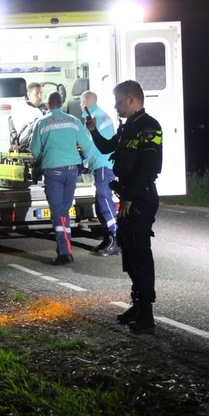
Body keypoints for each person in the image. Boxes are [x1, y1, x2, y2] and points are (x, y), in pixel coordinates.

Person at [91, 80, 163, 333]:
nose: (115, 106)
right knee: (129, 253)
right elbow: (106, 147)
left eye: (119, 101)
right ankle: (137, 304)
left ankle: (147, 314)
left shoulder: (149, 127)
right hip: (130, 197)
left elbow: (148, 168)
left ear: (131, 99)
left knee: (140, 254)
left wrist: (130, 199)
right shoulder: (127, 127)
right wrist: (92, 131)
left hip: (140, 199)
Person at [29, 92, 102, 266]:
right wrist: (83, 162)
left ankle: (64, 252)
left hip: (53, 171)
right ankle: (64, 248)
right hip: (71, 171)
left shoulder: (41, 123)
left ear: (48, 105)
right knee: (64, 210)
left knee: (58, 212)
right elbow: (89, 147)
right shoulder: (74, 122)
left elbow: (34, 150)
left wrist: (43, 158)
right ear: (61, 103)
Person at [81, 90, 119, 256]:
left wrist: (83, 161)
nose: (80, 104)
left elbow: (92, 145)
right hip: (105, 164)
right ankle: (107, 238)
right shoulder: (102, 115)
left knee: (104, 202)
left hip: (102, 164)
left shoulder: (93, 118)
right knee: (100, 203)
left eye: (81, 101)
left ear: (87, 101)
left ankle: (115, 237)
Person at [10, 82, 46, 150]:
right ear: (29, 94)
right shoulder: (22, 108)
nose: (39, 96)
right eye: (36, 94)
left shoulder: (46, 108)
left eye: (41, 93)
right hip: (26, 138)